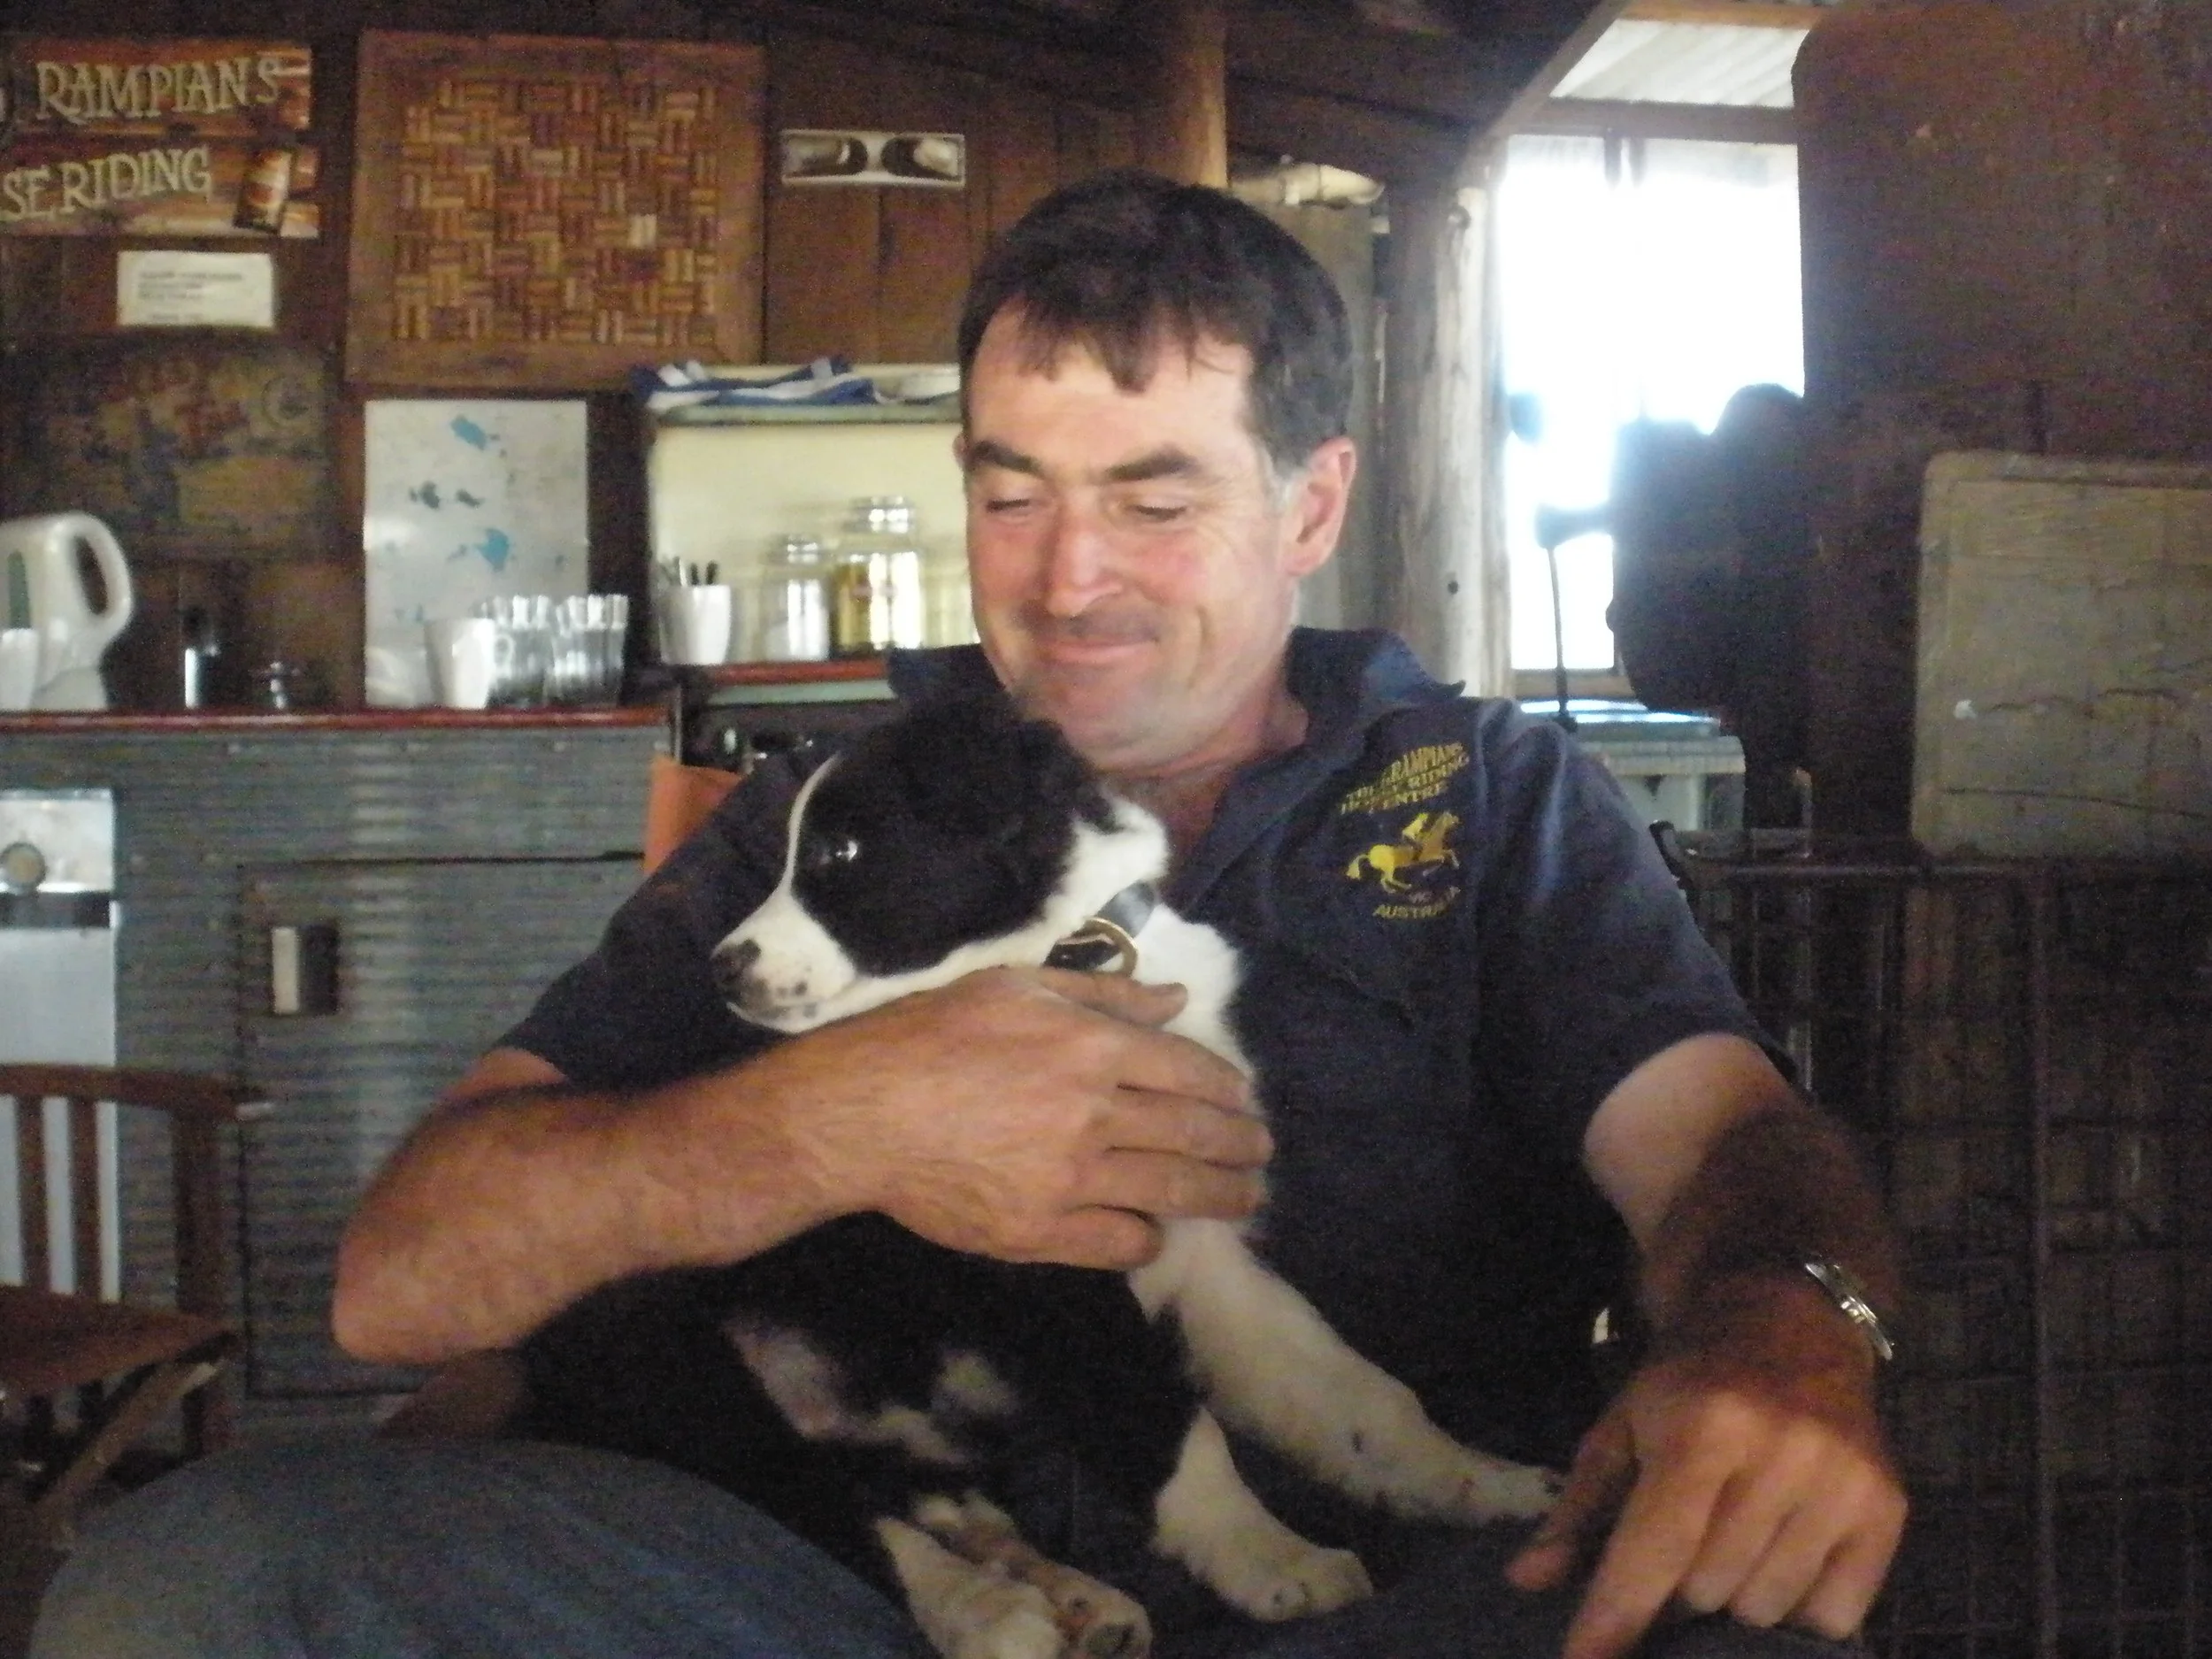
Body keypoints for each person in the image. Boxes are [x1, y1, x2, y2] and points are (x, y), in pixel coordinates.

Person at [32, 170, 1904, 1659]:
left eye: (1153, 501)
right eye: (1012, 498)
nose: (1067, 579)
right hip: (827, 1585)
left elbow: (1725, 1151)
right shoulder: (825, 812)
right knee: (201, 1571)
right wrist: (825, 1119)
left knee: (1750, 1604)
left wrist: (1782, 1322)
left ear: (1312, 505)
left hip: (1392, 1588)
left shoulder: (1490, 800)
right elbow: (399, 1280)